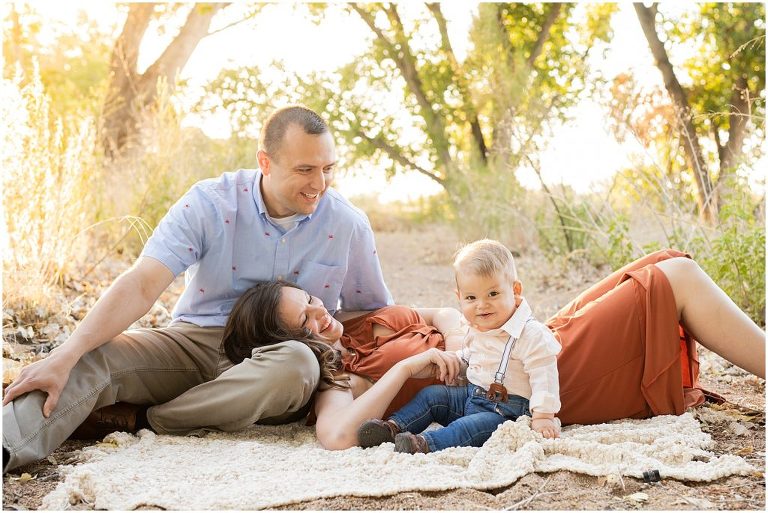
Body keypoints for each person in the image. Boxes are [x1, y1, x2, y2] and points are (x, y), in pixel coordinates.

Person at [2, 105, 393, 473]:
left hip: (282, 366)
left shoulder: (347, 224)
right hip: (194, 342)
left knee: (297, 363)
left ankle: (147, 418)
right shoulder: (210, 203)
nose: (319, 184)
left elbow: (370, 314)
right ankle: (8, 444)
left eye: (328, 169)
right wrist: (66, 354)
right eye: (305, 169)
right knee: (93, 354)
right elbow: (142, 285)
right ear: (265, 162)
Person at [220, 249, 765, 451]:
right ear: (289, 344)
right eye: (307, 322)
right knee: (675, 280)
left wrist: (460, 335)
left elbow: (439, 314)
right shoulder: (341, 382)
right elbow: (337, 438)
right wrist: (411, 365)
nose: (324, 316)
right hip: (527, 388)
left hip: (520, 341)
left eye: (313, 301)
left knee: (652, 267)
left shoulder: (358, 321)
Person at [358, 240, 561, 454]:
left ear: (515, 289)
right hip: (471, 395)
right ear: (459, 297)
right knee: (431, 396)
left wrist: (543, 416)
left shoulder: (531, 334)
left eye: (493, 294)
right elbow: (473, 357)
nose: (482, 305)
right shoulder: (477, 327)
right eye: (471, 298)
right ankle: (392, 428)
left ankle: (423, 444)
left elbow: (544, 376)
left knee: (465, 428)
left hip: (505, 413)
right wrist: (457, 362)